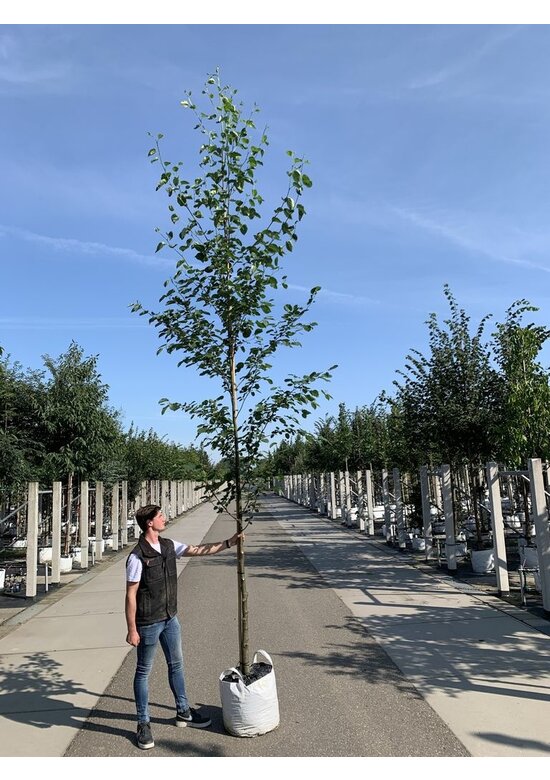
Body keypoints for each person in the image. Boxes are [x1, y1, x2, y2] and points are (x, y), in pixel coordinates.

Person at [125, 503, 242, 750]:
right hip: (148, 622)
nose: (164, 518)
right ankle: (143, 723)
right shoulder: (137, 557)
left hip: (170, 618)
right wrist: (132, 629)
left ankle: (183, 711)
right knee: (143, 672)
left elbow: (197, 550)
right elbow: (131, 594)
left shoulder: (168, 546)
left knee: (176, 665)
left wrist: (229, 543)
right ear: (149, 523)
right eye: (160, 516)